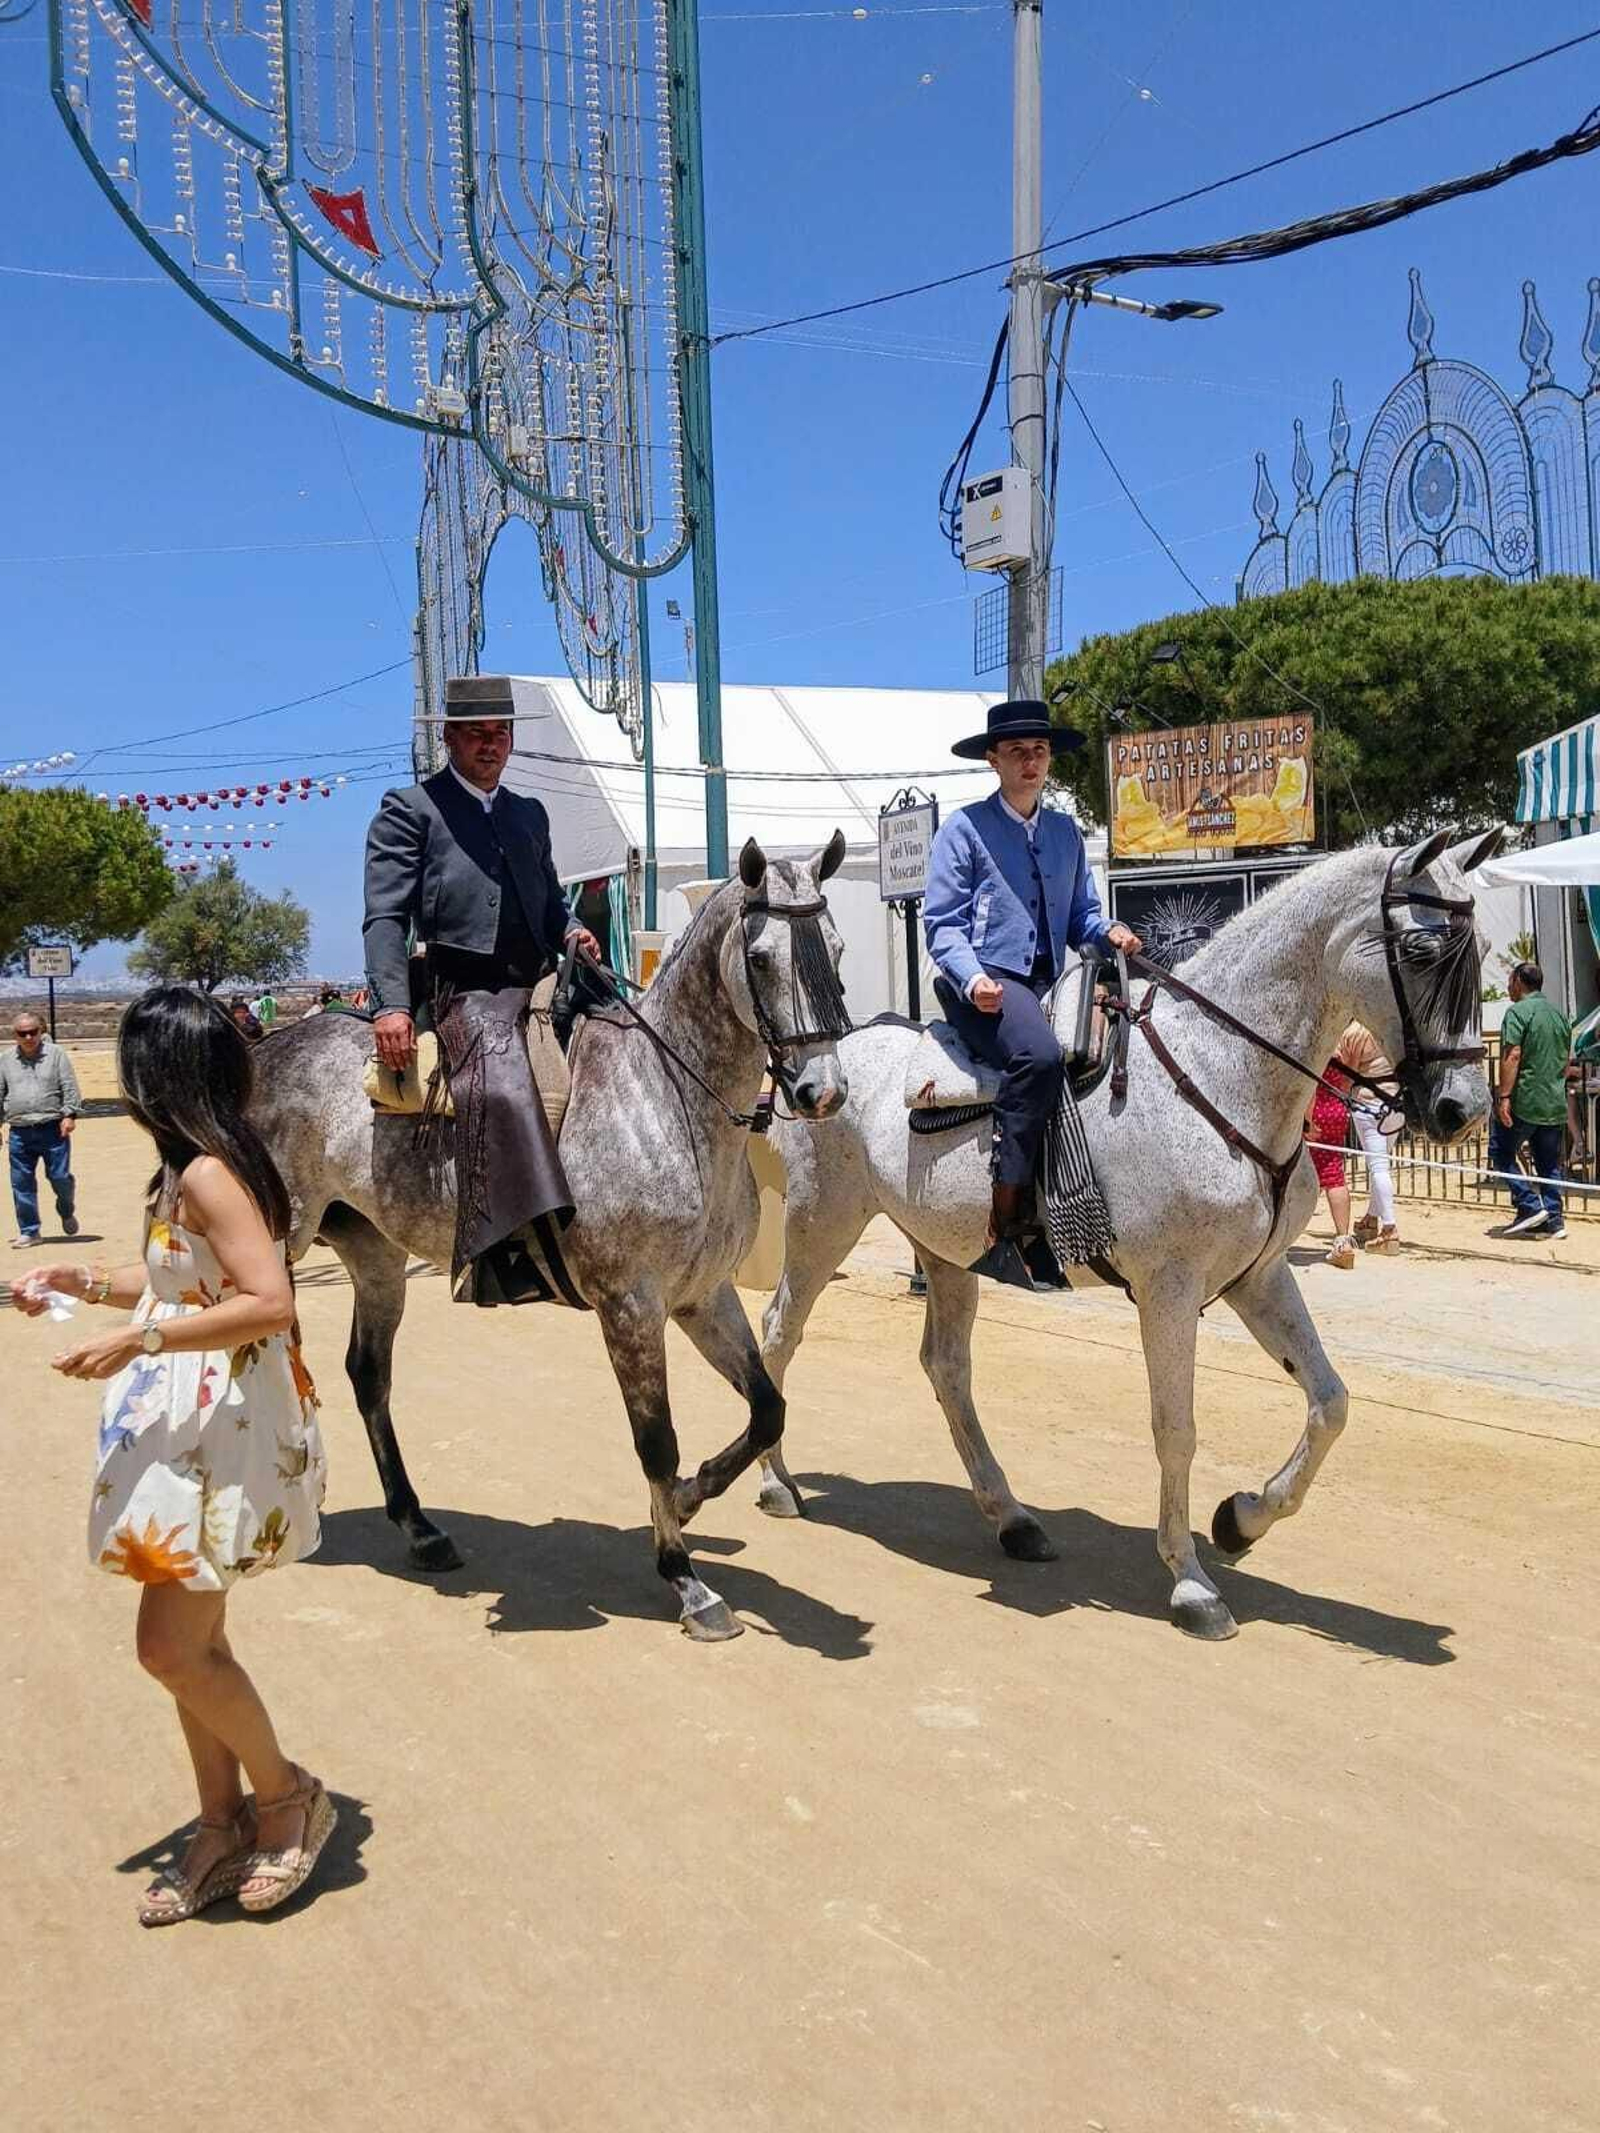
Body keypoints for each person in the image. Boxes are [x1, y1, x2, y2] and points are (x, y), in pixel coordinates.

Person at [8, 986, 334, 1924]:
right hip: (196, 1434)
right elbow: (175, 1282)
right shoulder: (187, 1169)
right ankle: (219, 1819)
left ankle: (284, 1799)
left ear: (160, 1077)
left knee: (167, 1646)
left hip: (220, 1434)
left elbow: (270, 1300)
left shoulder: (208, 1175)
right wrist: (86, 1280)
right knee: (196, 1645)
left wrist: (137, 1343)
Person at [363, 674, 601, 1305]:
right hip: (463, 988)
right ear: (450, 738)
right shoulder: (410, 810)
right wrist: (390, 1005)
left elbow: (551, 902)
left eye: (501, 733)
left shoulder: (530, 814)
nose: (490, 745)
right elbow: (385, 916)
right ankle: (509, 1247)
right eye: (476, 733)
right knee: (505, 1083)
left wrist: (574, 930)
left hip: (543, 979)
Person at [924, 698, 1142, 1288]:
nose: (1031, 761)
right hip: (986, 985)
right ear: (993, 760)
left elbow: (1083, 918)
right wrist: (973, 979)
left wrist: (1109, 932)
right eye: (1017, 752)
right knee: (1040, 1055)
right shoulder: (963, 830)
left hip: (1053, 981)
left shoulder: (1066, 832)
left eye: (1039, 751)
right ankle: (1008, 1220)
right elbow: (942, 924)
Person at [1489, 959, 1572, 1241]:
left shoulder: (1517, 1013)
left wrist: (1504, 1096)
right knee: (1548, 1163)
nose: (1507, 986)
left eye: (1509, 980)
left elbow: (1512, 1056)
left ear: (1519, 982)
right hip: (1554, 1101)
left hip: (1526, 1100)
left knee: (1500, 1151)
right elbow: (1565, 1060)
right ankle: (1554, 1219)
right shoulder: (1558, 1015)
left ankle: (1528, 1205)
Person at [2, 1011, 81, 1249]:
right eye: (22, 1033)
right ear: (14, 1035)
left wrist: (69, 1114)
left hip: (53, 1129)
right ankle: (30, 1231)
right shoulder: (5, 1059)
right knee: (21, 1182)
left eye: (32, 1032)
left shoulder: (56, 1054)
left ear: (41, 1031)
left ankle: (66, 1208)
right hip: (19, 1131)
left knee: (59, 1178)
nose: (28, 1037)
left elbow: (69, 1086)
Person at [1338, 1021, 1402, 1254]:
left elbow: (1348, 1074)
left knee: (1378, 1167)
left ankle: (1389, 1228)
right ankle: (1371, 1218)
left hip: (1369, 1102)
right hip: (1396, 1101)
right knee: (1382, 1162)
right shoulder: (1393, 1026)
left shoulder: (1356, 1032)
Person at [1305, 1057, 1357, 1269]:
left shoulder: (1319, 1047)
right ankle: (1343, 1240)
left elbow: (1309, 1086)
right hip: (1336, 1110)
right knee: (1335, 1176)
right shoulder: (1341, 1051)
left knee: (1300, 1175)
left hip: (1315, 1110)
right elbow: (1347, 1082)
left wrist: (1307, 1119)